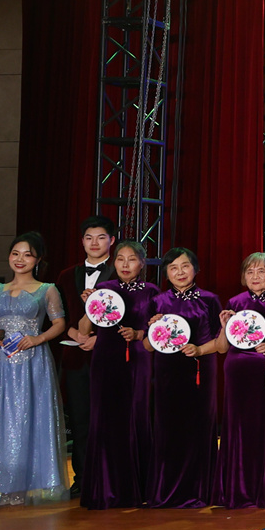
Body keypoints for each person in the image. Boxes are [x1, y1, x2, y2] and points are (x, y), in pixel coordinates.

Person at [0, 234, 69, 506]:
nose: (20, 259)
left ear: (38, 259)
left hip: (32, 361)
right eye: (15, 253)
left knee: (28, 417)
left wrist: (38, 338)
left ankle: (26, 483)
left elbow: (59, 324)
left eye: (27, 254)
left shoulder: (47, 289)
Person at [68, 240, 157, 509]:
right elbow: (84, 329)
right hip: (105, 359)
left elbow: (156, 331)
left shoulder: (152, 292)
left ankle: (138, 488)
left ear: (142, 263)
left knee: (136, 417)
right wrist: (89, 305)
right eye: (120, 259)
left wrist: (138, 333)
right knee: (106, 419)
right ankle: (105, 487)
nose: (125, 265)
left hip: (137, 359)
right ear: (114, 262)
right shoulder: (103, 289)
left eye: (132, 259)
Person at [207, 252, 265, 509]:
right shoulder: (235, 302)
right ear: (244, 276)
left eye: (261, 271)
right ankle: (236, 490)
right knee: (238, 427)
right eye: (250, 271)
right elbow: (222, 348)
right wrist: (224, 325)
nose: (255, 276)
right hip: (238, 370)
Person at [147, 248, 219, 508]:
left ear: (196, 269)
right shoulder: (158, 302)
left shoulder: (210, 300)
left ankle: (200, 490)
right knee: (168, 429)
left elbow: (221, 343)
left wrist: (199, 350)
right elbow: (146, 346)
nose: (179, 272)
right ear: (166, 273)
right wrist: (154, 327)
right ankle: (166, 491)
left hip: (200, 370)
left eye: (185, 266)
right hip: (166, 372)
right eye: (173, 268)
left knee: (199, 428)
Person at [56, 216, 116, 497]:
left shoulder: (120, 272)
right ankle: (81, 478)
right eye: (89, 237)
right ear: (82, 241)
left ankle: (108, 477)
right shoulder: (66, 275)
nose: (94, 243)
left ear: (111, 241)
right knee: (79, 421)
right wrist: (73, 331)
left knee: (109, 419)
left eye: (101, 237)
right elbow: (58, 315)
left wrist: (98, 338)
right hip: (75, 357)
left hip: (108, 358)